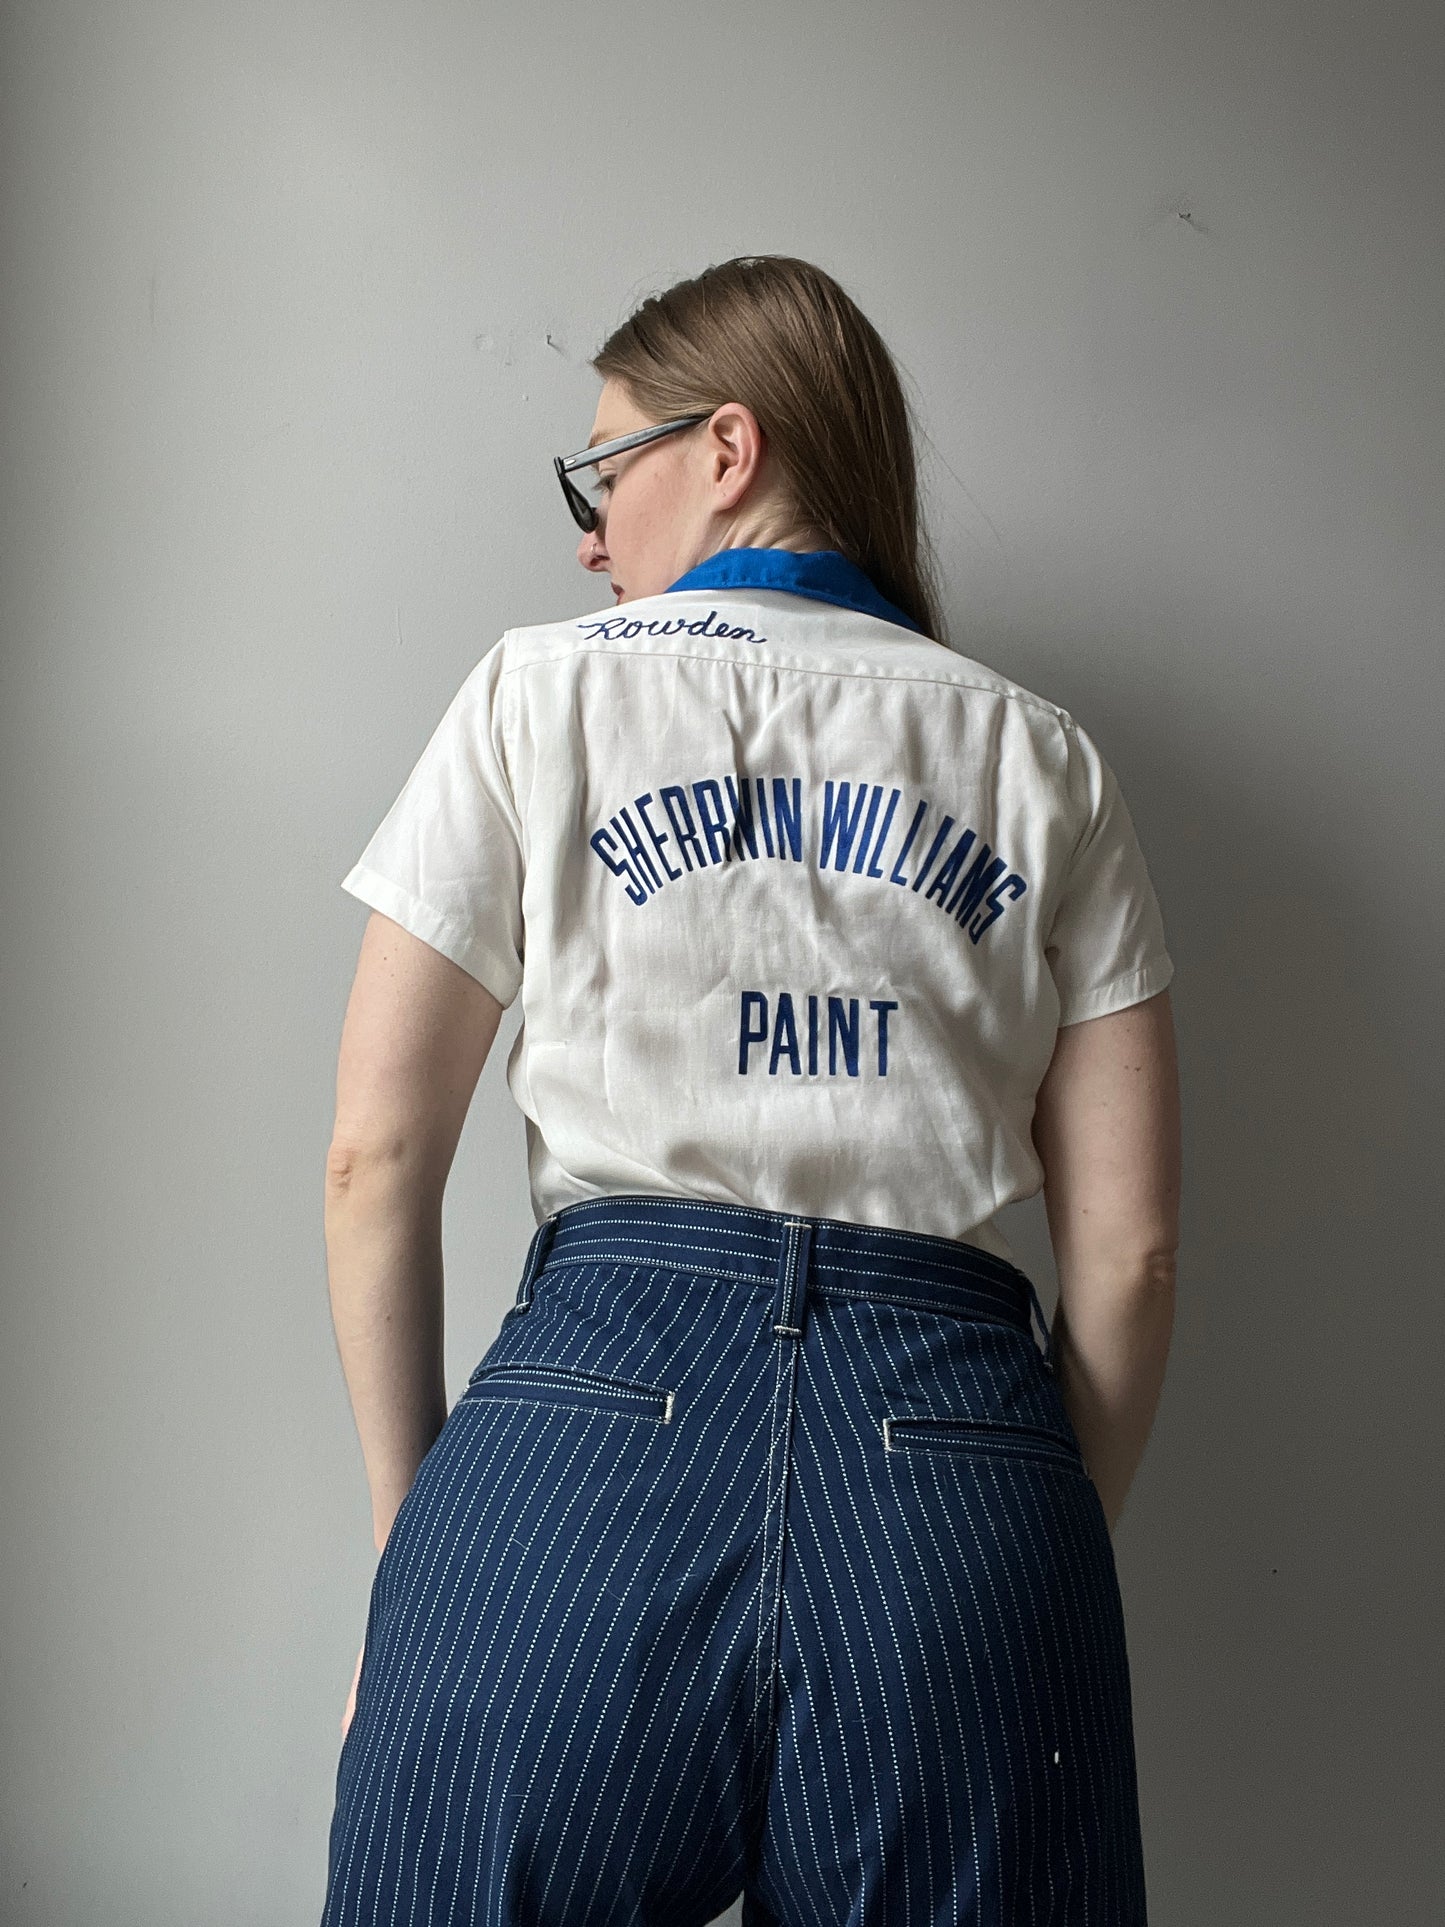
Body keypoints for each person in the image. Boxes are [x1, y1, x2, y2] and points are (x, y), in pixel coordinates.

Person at [319, 254, 1180, 1926]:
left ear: (725, 449)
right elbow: (1133, 1256)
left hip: (582, 1440)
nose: (587, 533)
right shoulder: (1042, 757)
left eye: (603, 468)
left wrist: (414, 1561)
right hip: (955, 1453)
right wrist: (1022, 1538)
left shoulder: (537, 692)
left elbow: (374, 1155)